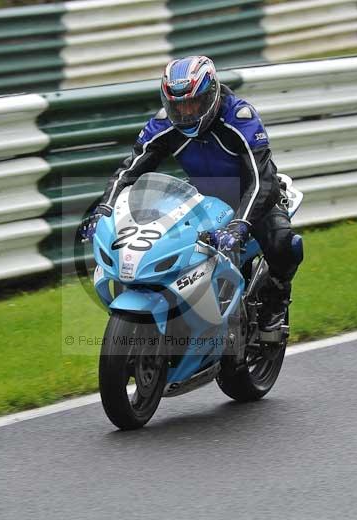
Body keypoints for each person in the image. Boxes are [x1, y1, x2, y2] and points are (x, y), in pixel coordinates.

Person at [81, 55, 303, 335]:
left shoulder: (239, 117)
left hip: (254, 197)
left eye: (192, 104)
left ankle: (276, 301)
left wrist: (241, 224)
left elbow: (261, 179)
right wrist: (105, 207)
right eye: (178, 106)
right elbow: (130, 168)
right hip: (201, 200)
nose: (185, 113)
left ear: (210, 95)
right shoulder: (165, 125)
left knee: (285, 243)